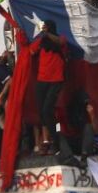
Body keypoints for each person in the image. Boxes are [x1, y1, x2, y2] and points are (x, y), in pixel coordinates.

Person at [29, 19, 67, 156]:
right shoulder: (42, 41)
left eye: (47, 27)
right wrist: (41, 37)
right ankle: (48, 141)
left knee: (47, 110)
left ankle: (55, 142)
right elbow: (31, 51)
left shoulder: (59, 39)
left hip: (56, 80)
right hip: (41, 80)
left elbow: (61, 42)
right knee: (42, 112)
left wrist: (47, 34)